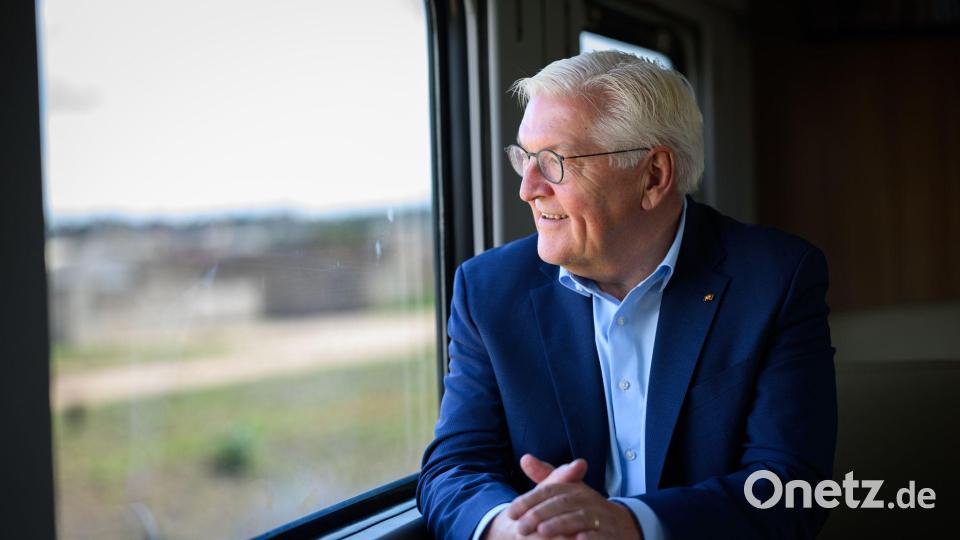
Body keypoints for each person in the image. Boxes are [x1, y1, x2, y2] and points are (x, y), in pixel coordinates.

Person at [416, 50, 837, 539]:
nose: (527, 189)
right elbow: (452, 469)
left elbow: (791, 486)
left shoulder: (775, 278)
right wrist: (505, 528)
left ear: (654, 175)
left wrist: (634, 526)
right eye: (524, 159)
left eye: (554, 162)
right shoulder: (488, 290)